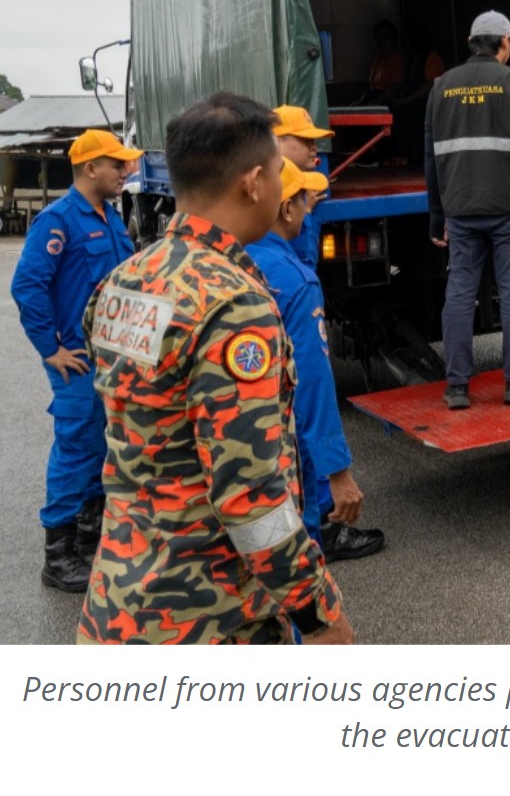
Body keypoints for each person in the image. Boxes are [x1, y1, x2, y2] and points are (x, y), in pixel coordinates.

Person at [76, 92, 351, 645]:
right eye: (279, 171)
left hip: (116, 606)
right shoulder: (232, 304)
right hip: (206, 620)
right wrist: (318, 613)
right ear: (253, 182)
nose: (282, 185)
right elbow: (250, 498)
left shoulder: (124, 281)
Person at [11, 129, 141, 591]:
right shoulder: (58, 220)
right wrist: (51, 350)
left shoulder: (109, 217)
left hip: (113, 359)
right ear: (91, 169)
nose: (126, 172)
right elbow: (27, 288)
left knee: (103, 446)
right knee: (77, 448)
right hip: (80, 362)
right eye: (117, 164)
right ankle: (59, 554)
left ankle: (89, 538)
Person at [246, 159, 386, 562]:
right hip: (280, 453)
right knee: (293, 558)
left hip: (234, 454)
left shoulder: (228, 259)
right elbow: (311, 383)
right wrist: (337, 472)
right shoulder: (294, 281)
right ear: (287, 209)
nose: (310, 210)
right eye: (305, 201)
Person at [426, 10, 510, 409]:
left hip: (460, 207)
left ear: (471, 42)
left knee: (460, 292)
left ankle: (457, 387)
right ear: (505, 43)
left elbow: (431, 158)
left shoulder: (441, 86)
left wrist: (436, 214)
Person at [272, 105, 333, 268]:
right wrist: (305, 214)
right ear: (277, 142)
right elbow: (303, 264)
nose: (314, 147)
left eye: (313, 140)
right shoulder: (275, 191)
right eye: (304, 139)